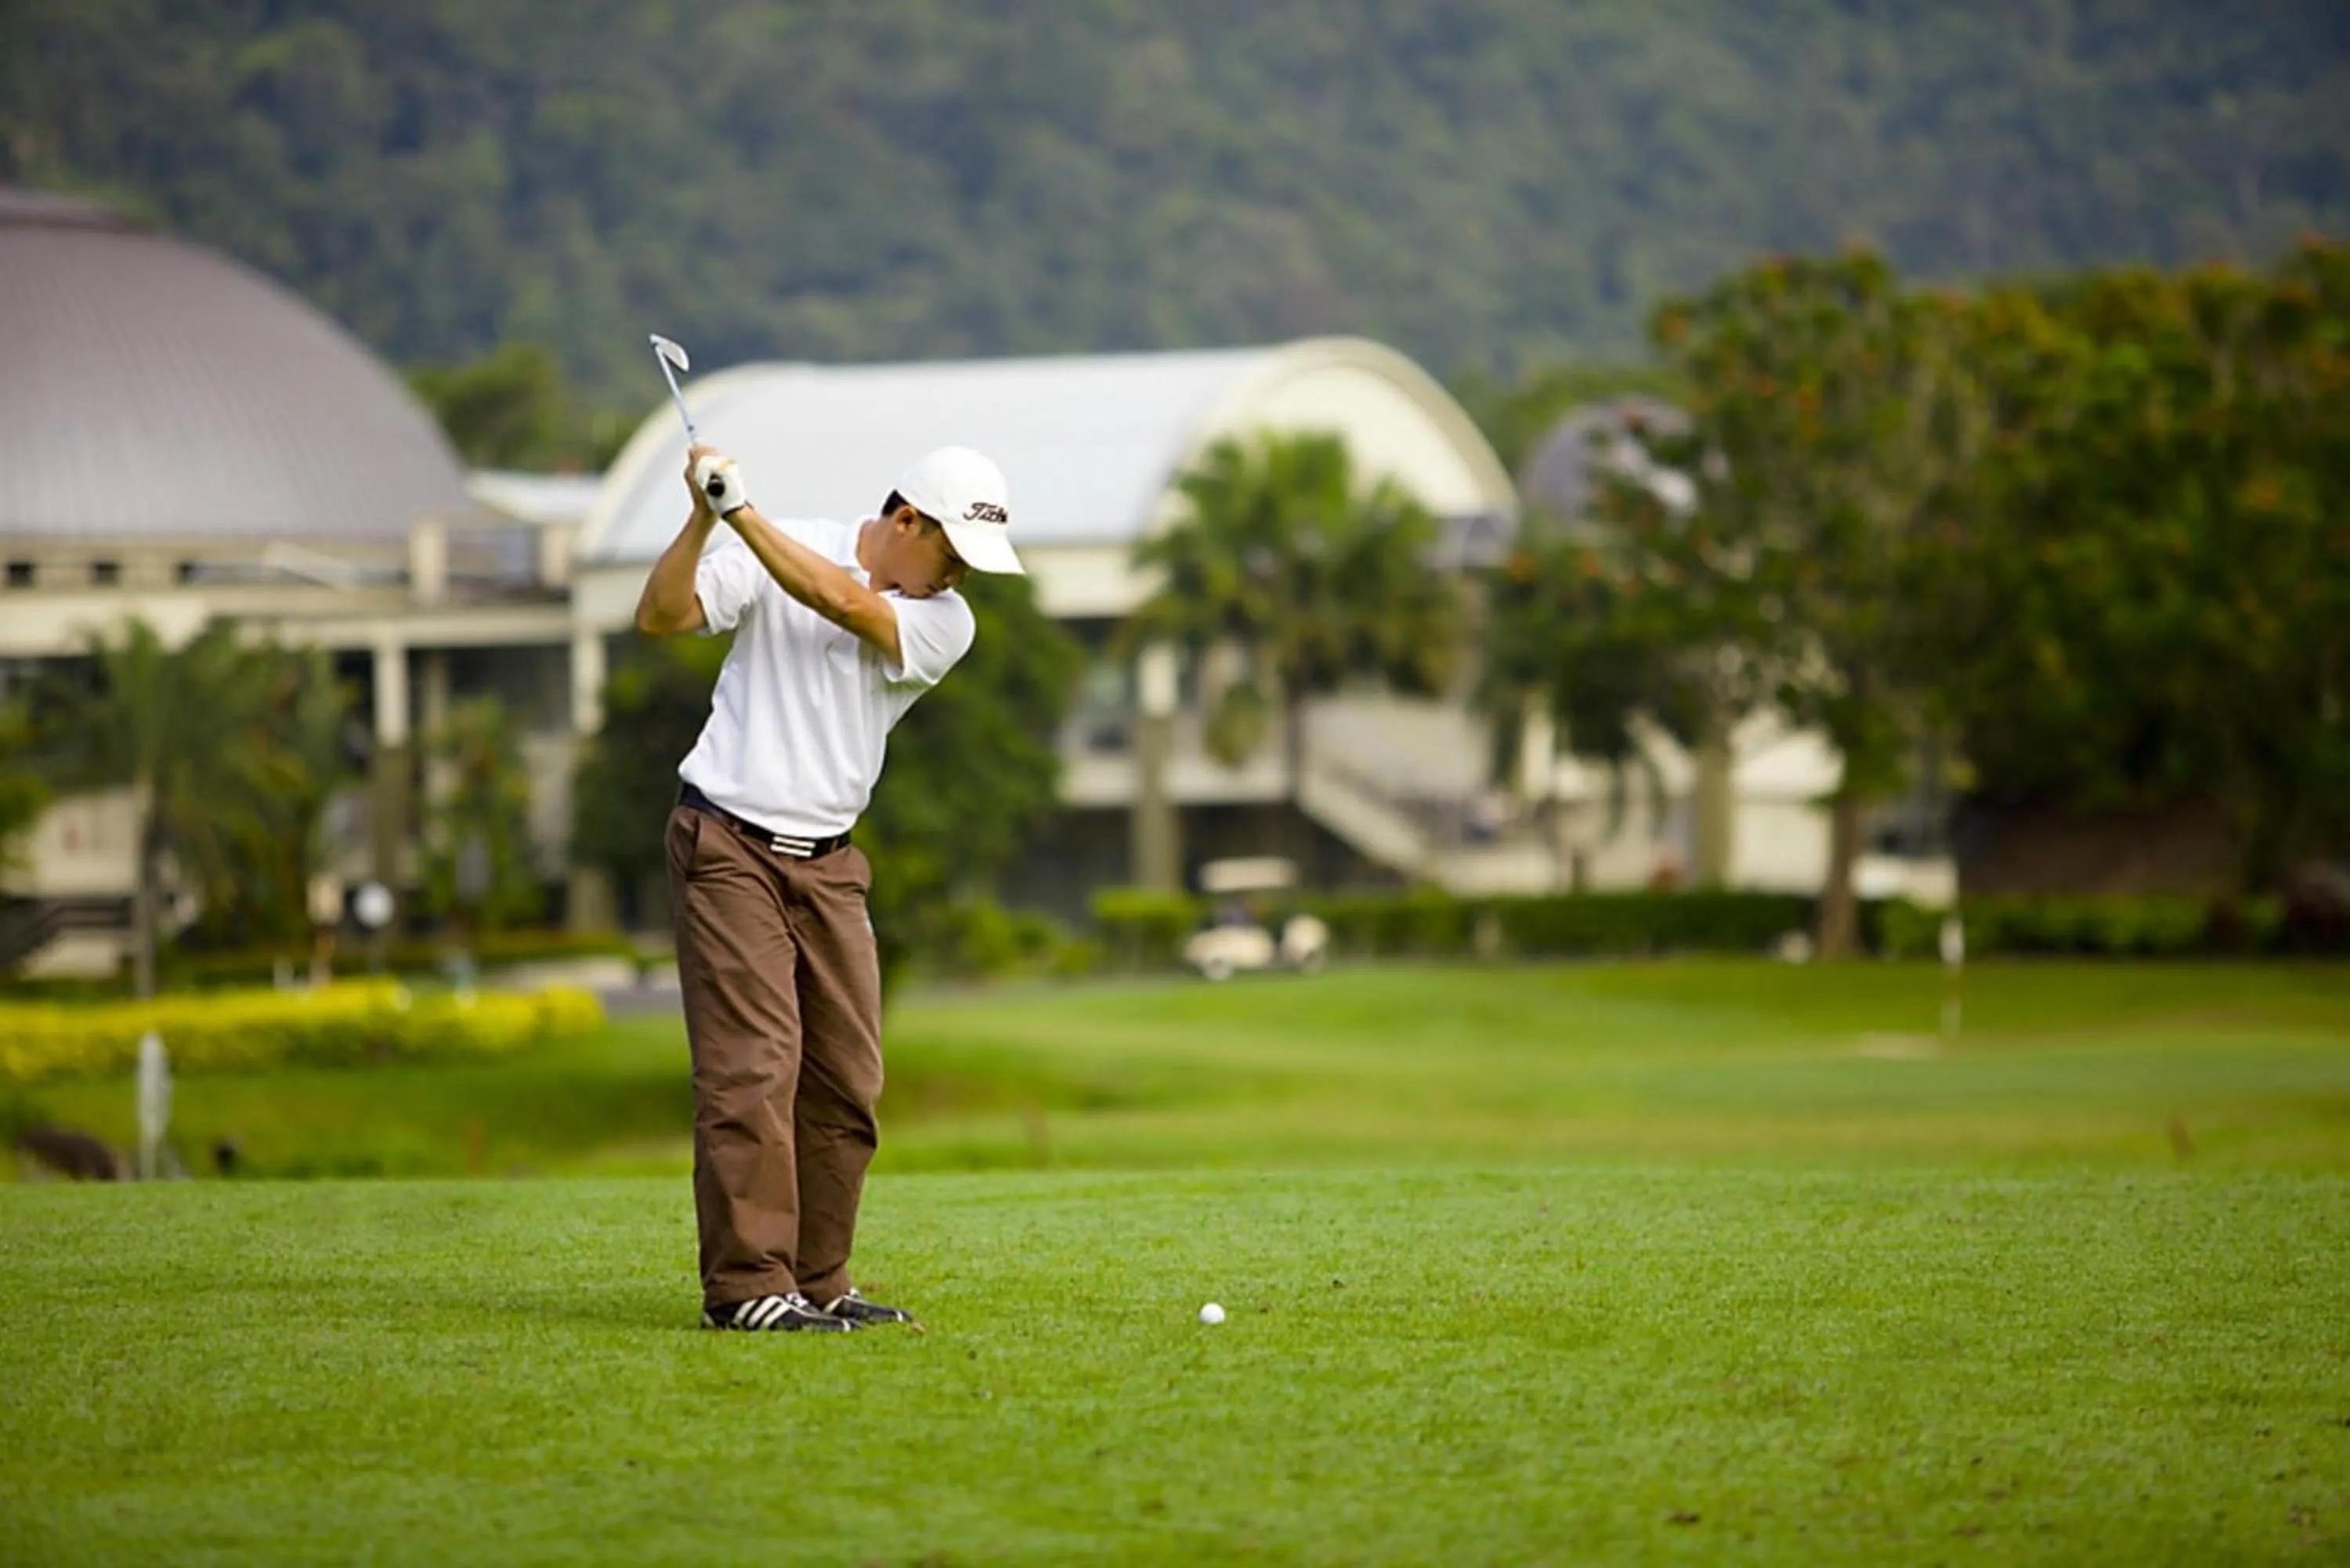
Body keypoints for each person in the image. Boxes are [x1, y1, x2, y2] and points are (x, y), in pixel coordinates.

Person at [634, 439, 1025, 1331]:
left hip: (831, 862)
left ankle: (817, 1278)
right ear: (905, 520)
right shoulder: (779, 543)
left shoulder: (943, 622)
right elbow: (662, 615)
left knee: (847, 1075)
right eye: (952, 553)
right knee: (753, 1067)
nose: (958, 577)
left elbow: (838, 597)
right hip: (727, 842)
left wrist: (740, 513)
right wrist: (704, 516)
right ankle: (746, 1287)